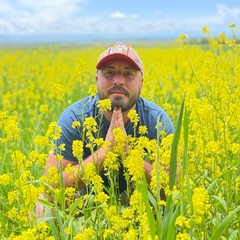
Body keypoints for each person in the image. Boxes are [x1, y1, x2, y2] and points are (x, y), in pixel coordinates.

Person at [36, 42, 174, 217]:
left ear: (141, 82)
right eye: (109, 72)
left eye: (128, 74)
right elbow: (51, 188)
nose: (118, 80)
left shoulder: (157, 120)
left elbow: (174, 188)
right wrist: (105, 151)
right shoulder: (75, 117)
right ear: (97, 80)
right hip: (87, 205)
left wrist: (128, 153)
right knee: (42, 209)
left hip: (141, 205)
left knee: (179, 205)